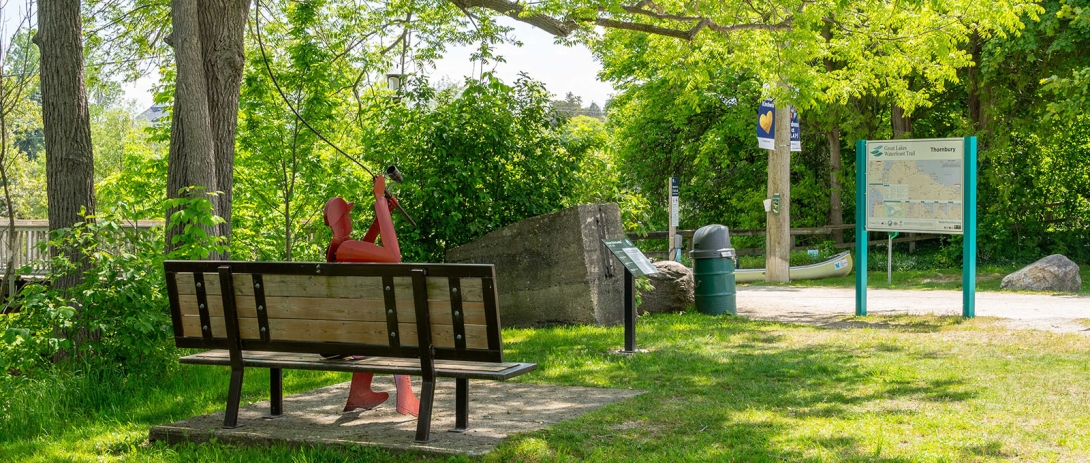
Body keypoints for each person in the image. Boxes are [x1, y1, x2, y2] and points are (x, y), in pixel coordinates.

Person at [323, 175, 420, 416]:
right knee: (392, 327)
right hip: (351, 335)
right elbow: (394, 257)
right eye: (347, 215)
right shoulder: (344, 249)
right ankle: (406, 395)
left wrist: (381, 219)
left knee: (371, 326)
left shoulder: (337, 249)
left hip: (343, 332)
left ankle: (359, 393)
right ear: (342, 221)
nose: (350, 218)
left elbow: (365, 249)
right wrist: (379, 201)